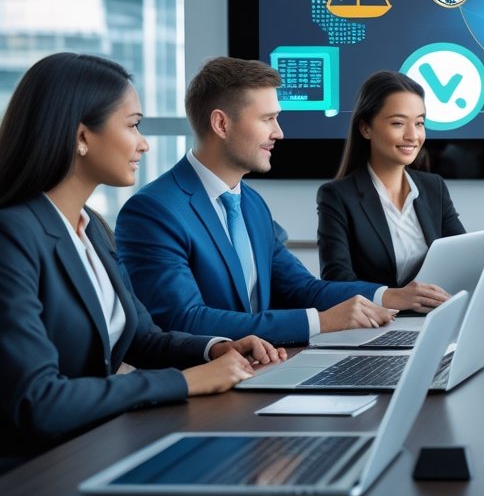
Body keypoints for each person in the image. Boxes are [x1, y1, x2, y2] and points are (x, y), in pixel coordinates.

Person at [0, 53, 285, 471]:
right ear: (82, 136)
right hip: (39, 471)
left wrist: (215, 349)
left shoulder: (92, 228)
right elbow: (38, 400)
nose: (144, 143)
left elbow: (142, 338)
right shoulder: (13, 235)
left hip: (99, 444)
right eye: (132, 125)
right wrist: (185, 382)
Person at [116, 57, 429, 346]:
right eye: (268, 119)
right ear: (221, 124)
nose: (279, 132)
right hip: (200, 390)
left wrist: (391, 296)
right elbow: (181, 320)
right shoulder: (154, 210)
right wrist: (318, 322)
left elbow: (302, 289)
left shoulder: (251, 204)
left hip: (262, 368)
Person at [316, 71, 462, 307]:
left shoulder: (433, 187)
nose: (412, 136)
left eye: (419, 123)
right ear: (365, 128)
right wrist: (395, 299)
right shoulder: (337, 195)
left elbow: (464, 256)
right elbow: (336, 281)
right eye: (398, 123)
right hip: (376, 324)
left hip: (436, 316)